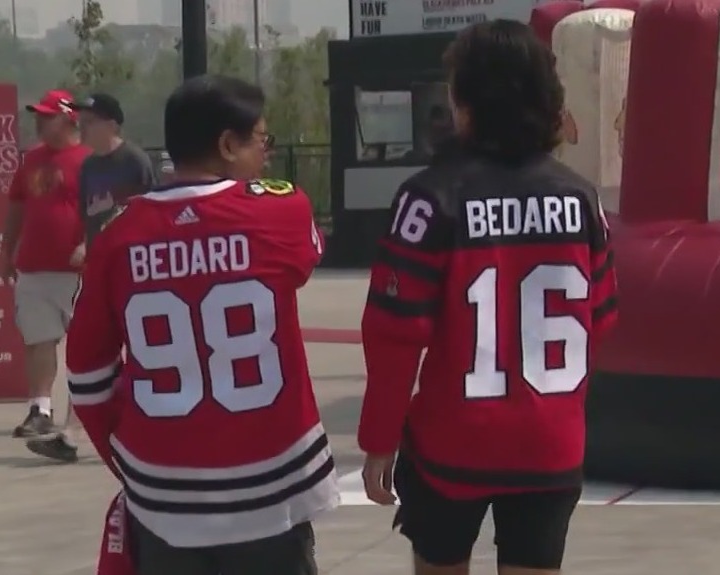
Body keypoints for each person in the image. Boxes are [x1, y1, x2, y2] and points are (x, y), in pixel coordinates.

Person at [356, 20, 619, 575]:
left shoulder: (429, 198)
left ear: (465, 101)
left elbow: (394, 334)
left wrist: (379, 439)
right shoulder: (580, 198)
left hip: (453, 444)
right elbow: (603, 318)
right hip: (552, 441)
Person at [67, 74, 336, 575]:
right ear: (227, 145)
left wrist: (132, 462)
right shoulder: (281, 209)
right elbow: (302, 259)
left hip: (164, 495)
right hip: (273, 485)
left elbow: (86, 377)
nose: (267, 153)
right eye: (262, 139)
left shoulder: (117, 236)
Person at [26, 92, 156, 462]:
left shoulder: (133, 161)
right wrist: (86, 244)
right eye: (80, 120)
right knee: (90, 351)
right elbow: (90, 218)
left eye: (91, 120)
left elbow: (152, 211)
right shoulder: (88, 168)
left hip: (135, 267)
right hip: (99, 269)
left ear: (112, 124)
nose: (82, 126)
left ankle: (133, 429)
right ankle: (70, 435)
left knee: (140, 351)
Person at [3, 89, 90, 439]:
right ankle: (40, 410)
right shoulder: (32, 159)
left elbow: (103, 209)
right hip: (34, 267)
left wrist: (88, 243)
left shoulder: (88, 160)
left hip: (77, 271)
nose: (39, 123)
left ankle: (81, 417)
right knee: (39, 340)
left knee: (85, 346)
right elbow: (16, 206)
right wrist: (6, 250)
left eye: (47, 116)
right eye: (37, 116)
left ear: (69, 118)